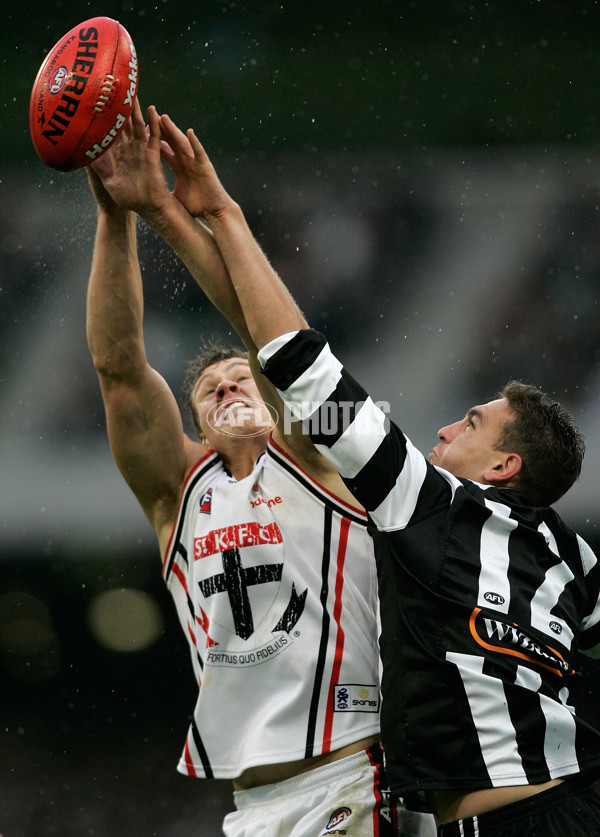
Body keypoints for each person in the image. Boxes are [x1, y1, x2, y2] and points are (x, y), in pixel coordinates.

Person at [154, 109, 600, 836]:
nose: (446, 428)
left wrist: (214, 213)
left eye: (472, 424)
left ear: (503, 465)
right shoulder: (569, 554)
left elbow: (296, 366)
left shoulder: (423, 499)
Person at [85, 100, 436, 837]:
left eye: (242, 378)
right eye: (210, 390)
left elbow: (280, 346)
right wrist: (115, 219)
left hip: (353, 777)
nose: (229, 387)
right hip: (250, 809)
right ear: (197, 423)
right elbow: (118, 368)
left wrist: (175, 216)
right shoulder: (179, 493)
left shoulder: (316, 450)